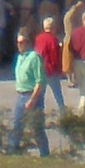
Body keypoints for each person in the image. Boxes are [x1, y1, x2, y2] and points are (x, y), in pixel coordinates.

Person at [8, 28, 49, 156]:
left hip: (31, 95)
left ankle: (45, 154)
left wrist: (32, 99)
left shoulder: (34, 57)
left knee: (36, 128)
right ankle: (12, 152)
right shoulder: (20, 57)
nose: (18, 45)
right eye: (17, 42)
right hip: (20, 95)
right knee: (17, 125)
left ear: (27, 42)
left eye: (21, 42)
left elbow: (40, 81)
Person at [33, 12, 65, 111]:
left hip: (40, 70)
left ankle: (39, 115)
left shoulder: (38, 38)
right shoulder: (53, 40)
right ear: (53, 27)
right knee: (57, 94)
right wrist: (59, 70)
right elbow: (55, 56)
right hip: (51, 70)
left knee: (40, 95)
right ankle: (63, 113)